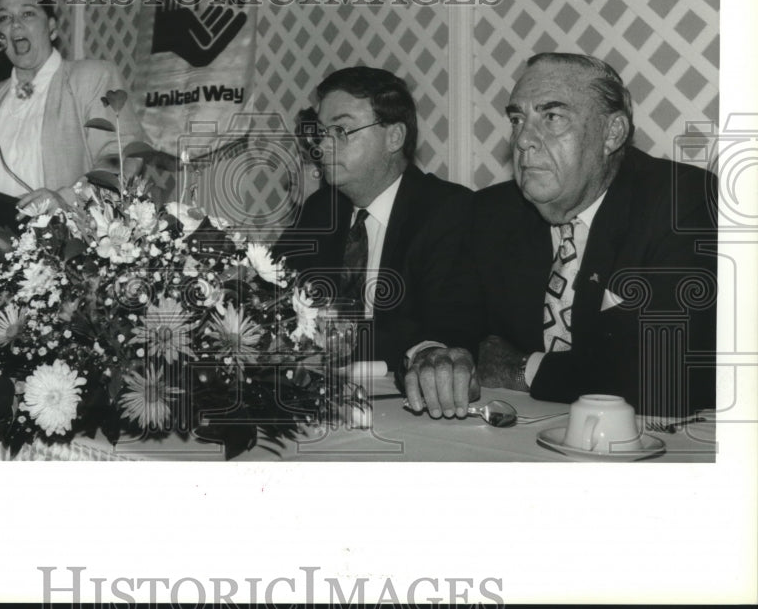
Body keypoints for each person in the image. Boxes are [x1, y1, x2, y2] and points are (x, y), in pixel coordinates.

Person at [404, 53, 717, 419]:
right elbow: (449, 322)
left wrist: (525, 368)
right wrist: (435, 355)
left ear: (612, 133)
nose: (523, 140)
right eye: (517, 119)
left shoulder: (684, 204)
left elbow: (672, 372)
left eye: (552, 117)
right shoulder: (491, 212)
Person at [275, 66, 473, 372]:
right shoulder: (320, 210)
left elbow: (439, 334)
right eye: (322, 132)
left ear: (393, 137)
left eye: (341, 130)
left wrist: (324, 338)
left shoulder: (447, 211)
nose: (323, 145)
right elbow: (271, 297)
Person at [0, 0, 144, 209]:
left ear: (51, 28)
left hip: (62, 236)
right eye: (4, 18)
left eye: (27, 13)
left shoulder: (91, 78)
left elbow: (122, 156)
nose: (15, 24)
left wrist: (67, 199)